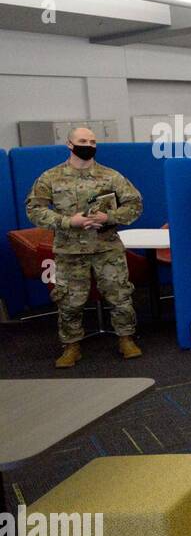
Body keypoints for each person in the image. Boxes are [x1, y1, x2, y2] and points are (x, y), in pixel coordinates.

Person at [25, 127, 143, 367]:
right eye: (82, 141)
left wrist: (108, 218)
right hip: (70, 251)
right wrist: (69, 221)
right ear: (69, 144)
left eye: (92, 141)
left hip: (106, 248)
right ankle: (71, 346)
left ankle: (126, 339)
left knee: (120, 295)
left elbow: (135, 205)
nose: (88, 145)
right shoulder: (51, 177)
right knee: (69, 300)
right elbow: (34, 210)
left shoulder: (111, 176)